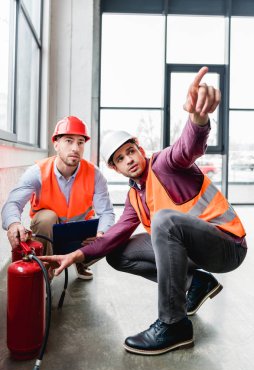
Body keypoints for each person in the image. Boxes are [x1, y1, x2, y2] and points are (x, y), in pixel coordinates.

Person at [40, 67, 247, 354]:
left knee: (164, 220)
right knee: (118, 252)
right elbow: (114, 235)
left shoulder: (166, 164)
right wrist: (76, 255)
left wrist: (198, 118)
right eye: (121, 159)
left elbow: (188, 147)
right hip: (197, 250)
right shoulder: (134, 197)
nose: (129, 160)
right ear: (115, 168)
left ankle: (174, 324)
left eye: (130, 151)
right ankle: (196, 282)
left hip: (227, 247)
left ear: (140, 148)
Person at [1, 116, 115, 280]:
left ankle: (81, 261)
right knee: (47, 218)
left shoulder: (95, 174)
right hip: (49, 233)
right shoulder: (37, 171)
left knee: (109, 236)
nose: (75, 148)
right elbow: (13, 202)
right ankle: (45, 273)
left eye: (80, 142)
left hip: (79, 236)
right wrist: (14, 223)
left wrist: (101, 234)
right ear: (56, 144)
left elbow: (107, 213)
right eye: (69, 141)